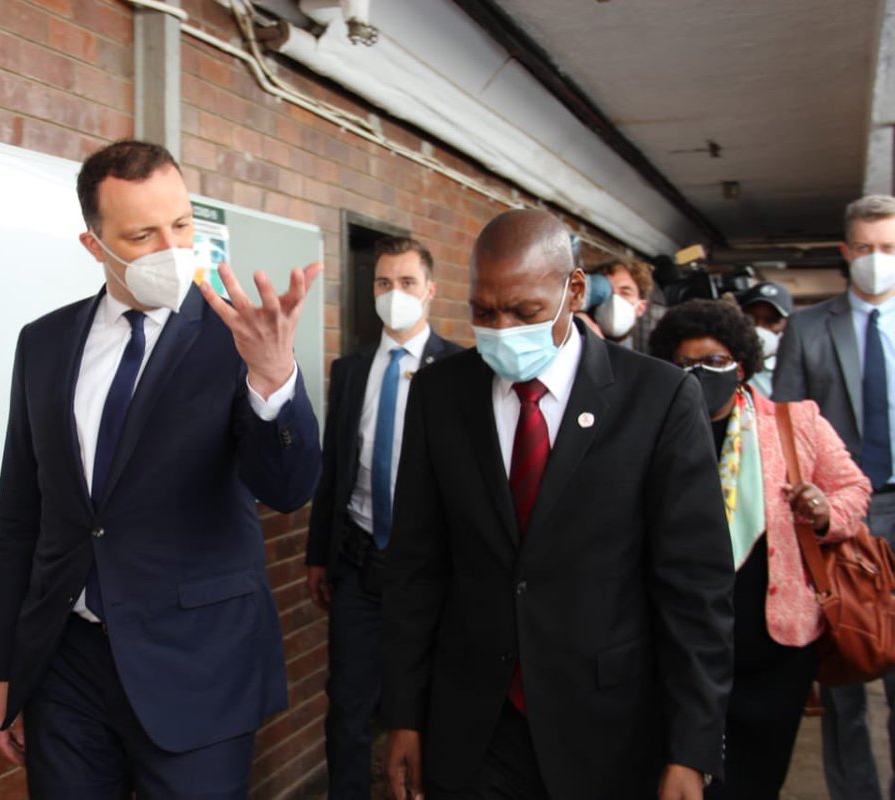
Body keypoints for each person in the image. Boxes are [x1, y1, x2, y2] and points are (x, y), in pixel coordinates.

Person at [0, 140, 323, 798]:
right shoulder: (45, 344)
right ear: (95, 245)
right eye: (142, 235)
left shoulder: (240, 337)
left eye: (182, 225)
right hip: (65, 668)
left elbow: (290, 489)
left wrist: (275, 377)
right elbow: (20, 517)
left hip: (198, 665)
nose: (171, 247)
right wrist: (7, 669)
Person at [382, 208, 735, 800]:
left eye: (525, 312)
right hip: (474, 726)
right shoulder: (441, 395)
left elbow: (695, 588)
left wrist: (691, 747)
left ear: (573, 289)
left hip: (608, 728)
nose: (501, 329)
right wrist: (404, 713)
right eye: (482, 311)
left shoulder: (659, 399)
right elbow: (417, 567)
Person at [649, 299, 871, 799]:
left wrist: (822, 510)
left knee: (755, 779)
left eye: (715, 362)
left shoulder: (795, 423)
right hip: (680, 647)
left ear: (742, 365)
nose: (701, 374)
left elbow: (854, 490)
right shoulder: (656, 429)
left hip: (774, 649)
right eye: (685, 365)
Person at [305, 236, 462, 797]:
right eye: (383, 283)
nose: (394, 294)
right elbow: (334, 467)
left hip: (434, 569)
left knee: (430, 702)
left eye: (407, 283)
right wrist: (318, 555)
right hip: (359, 562)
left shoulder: (461, 370)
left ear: (431, 291)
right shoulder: (350, 371)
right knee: (347, 704)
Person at [773, 193, 895, 800]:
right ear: (848, 252)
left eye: (889, 248)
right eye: (867, 248)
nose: (878, 260)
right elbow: (787, 424)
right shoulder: (809, 327)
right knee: (844, 666)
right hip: (835, 519)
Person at [736, 281, 793, 397]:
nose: (759, 327)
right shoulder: (728, 364)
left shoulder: (795, 368)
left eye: (771, 320)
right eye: (751, 319)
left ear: (786, 324)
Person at [586, 258, 653, 345]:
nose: (614, 299)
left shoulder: (630, 357)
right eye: (606, 291)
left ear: (641, 308)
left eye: (625, 293)